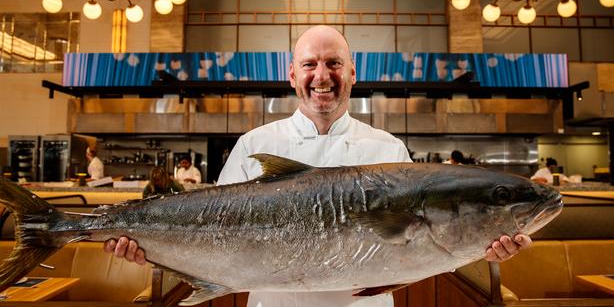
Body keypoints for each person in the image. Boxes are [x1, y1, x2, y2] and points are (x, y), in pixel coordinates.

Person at [104, 25, 532, 307]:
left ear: (352, 72)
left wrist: (483, 248)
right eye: (310, 64)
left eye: (333, 63)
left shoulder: (387, 149)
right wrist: (148, 244)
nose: (321, 75)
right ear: (292, 75)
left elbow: (424, 250)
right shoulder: (255, 144)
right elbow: (208, 233)